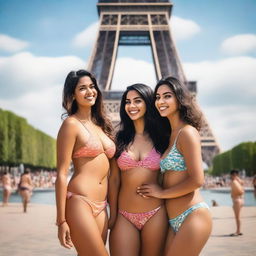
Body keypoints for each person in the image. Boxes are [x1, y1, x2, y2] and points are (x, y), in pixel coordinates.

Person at [137, 77, 212, 256]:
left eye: (167, 96)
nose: (160, 101)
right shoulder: (170, 135)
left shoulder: (187, 132)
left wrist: (161, 193)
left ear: (179, 99)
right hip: (172, 219)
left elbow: (197, 180)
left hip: (193, 215)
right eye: (157, 97)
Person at [55, 69, 115, 255]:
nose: (90, 91)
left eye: (92, 86)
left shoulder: (102, 126)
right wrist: (61, 221)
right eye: (82, 88)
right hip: (80, 202)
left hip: (101, 206)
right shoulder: (71, 125)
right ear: (72, 94)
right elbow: (62, 173)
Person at [108, 84, 169, 256]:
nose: (131, 106)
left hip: (156, 213)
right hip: (124, 215)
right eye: (127, 102)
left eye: (137, 101)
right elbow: (114, 180)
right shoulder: (118, 138)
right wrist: (112, 215)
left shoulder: (163, 138)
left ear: (148, 103)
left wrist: (162, 193)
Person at [230, 169, 244, 236]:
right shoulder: (238, 181)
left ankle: (238, 231)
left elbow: (241, 191)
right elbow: (242, 184)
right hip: (239, 200)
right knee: (238, 217)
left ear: (232, 175)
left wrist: (234, 194)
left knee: (237, 217)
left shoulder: (234, 182)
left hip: (237, 200)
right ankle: (238, 230)